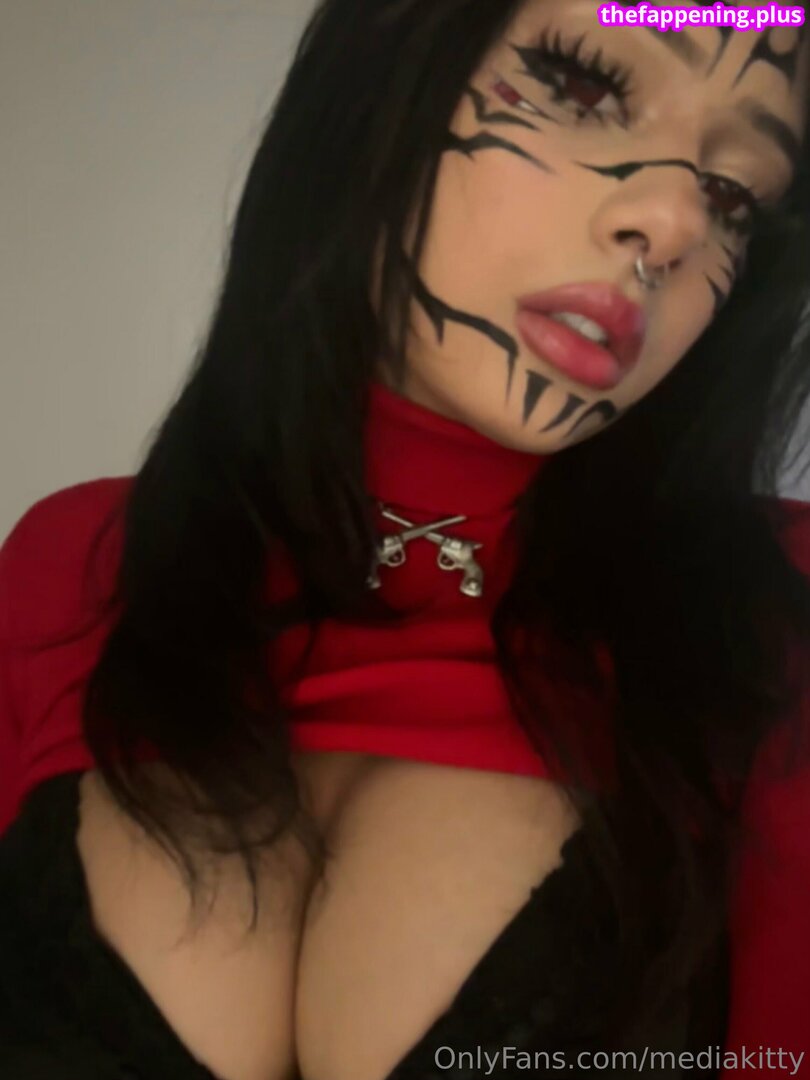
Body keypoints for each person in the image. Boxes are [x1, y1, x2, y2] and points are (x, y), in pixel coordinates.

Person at [1, 1, 809, 1078]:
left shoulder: (773, 608)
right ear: (388, 73)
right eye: (583, 84)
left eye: (734, 194)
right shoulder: (75, 562)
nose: (672, 221)